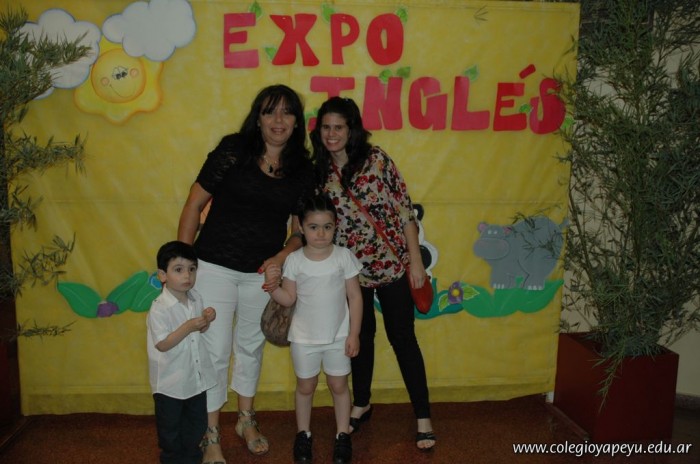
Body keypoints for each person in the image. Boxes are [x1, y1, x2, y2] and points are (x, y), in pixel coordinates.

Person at [177, 84, 314, 462]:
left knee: (251, 348)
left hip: (261, 276)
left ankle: (245, 419)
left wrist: (280, 257)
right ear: (258, 117)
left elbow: (300, 231)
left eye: (287, 112)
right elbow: (193, 205)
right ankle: (210, 434)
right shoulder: (233, 150)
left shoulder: (303, 170)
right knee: (215, 350)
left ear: (297, 122)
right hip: (213, 268)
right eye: (270, 111)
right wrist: (183, 265)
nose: (278, 120)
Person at [310, 96, 436, 452]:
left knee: (403, 339)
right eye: (326, 127)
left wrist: (415, 261)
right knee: (360, 339)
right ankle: (362, 403)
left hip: (392, 266)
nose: (332, 134)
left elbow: (405, 211)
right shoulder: (319, 172)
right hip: (351, 273)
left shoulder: (376, 159)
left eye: (339, 127)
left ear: (352, 130)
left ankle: (423, 416)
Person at [264, 194, 363, 464]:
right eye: (313, 227)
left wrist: (354, 334)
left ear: (335, 226)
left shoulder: (344, 257)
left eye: (327, 227)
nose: (321, 234)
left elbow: (355, 297)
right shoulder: (295, 260)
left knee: (339, 385)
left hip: (338, 337)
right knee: (305, 386)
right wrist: (272, 288)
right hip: (303, 339)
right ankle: (303, 434)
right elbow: (288, 298)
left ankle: (342, 434)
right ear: (301, 227)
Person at [147, 240, 217, 464]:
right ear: (162, 275)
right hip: (170, 382)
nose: (187, 275)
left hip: (195, 377)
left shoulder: (196, 298)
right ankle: (172, 458)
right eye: (178, 269)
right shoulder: (159, 308)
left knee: (196, 422)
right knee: (170, 427)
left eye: (192, 269)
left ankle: (192, 455)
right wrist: (188, 326)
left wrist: (206, 319)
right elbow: (162, 344)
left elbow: (200, 330)